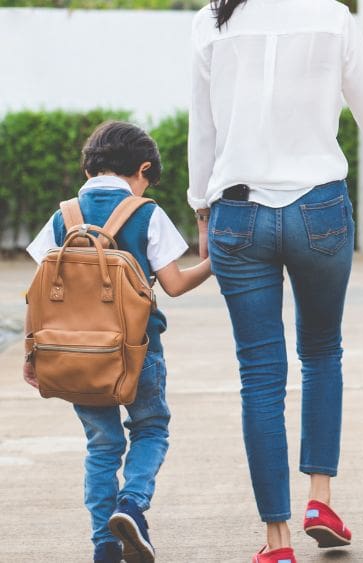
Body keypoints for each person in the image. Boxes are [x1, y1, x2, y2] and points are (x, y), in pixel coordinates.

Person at [186, 2, 363, 562]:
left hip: (238, 212)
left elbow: (201, 127)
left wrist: (201, 210)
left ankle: (277, 542)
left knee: (259, 375)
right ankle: (320, 501)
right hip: (319, 210)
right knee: (322, 353)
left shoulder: (212, 21)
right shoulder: (332, 16)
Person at [23, 120, 213, 563]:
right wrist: (216, 263)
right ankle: (132, 505)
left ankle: (104, 546)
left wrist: (33, 355)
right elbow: (175, 284)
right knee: (150, 428)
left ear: (90, 167)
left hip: (74, 356)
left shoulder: (62, 216)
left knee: (102, 445)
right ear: (142, 169)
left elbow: (38, 290)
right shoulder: (146, 213)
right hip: (137, 352)